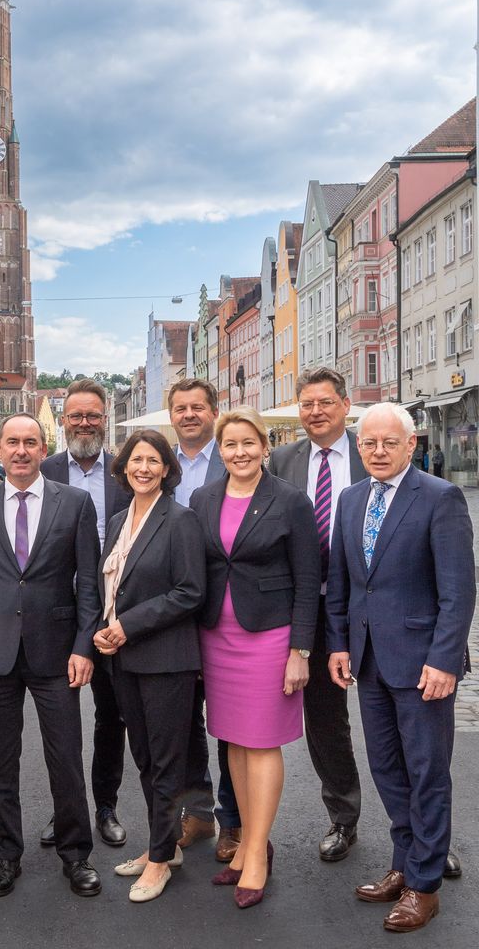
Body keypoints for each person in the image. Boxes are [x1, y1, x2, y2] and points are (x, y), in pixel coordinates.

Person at [326, 403, 475, 934]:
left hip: (422, 666)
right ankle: (404, 863)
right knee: (387, 769)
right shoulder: (349, 500)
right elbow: (343, 582)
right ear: (358, 446)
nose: (379, 452)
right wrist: (338, 643)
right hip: (367, 662)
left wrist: (444, 660)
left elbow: (459, 592)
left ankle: (425, 885)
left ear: (411, 444)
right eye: (370, 443)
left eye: (391, 442)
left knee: (426, 772)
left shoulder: (440, 497)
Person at [0, 413, 102, 900]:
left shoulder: (75, 503)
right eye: (12, 442)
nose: (21, 450)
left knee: (66, 756)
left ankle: (76, 855)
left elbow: (89, 585)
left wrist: (84, 646)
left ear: (44, 449)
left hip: (56, 652)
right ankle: (5, 854)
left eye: (30, 443)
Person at [190, 407, 319, 909]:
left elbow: (308, 581)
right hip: (217, 637)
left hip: (270, 636)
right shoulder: (204, 498)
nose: (239, 452)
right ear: (220, 451)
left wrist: (300, 651)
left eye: (248, 443)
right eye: (230, 444)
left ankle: (259, 854)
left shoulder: (289, 501)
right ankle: (243, 844)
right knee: (235, 744)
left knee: (262, 744)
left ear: (265, 447)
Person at [94, 430, 205, 903]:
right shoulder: (120, 518)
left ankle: (161, 858)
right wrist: (103, 626)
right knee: (143, 757)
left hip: (165, 660)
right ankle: (162, 845)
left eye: (152, 460)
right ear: (123, 468)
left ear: (166, 469)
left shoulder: (180, 520)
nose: (143, 467)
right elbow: (112, 585)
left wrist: (127, 625)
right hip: (123, 660)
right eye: (135, 460)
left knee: (165, 763)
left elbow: (189, 591)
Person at [266, 367, 364, 862]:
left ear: (345, 405)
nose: (315, 412)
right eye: (307, 404)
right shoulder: (282, 459)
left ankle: (424, 831)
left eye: (325, 402)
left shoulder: (373, 452)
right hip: (312, 606)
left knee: (401, 720)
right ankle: (342, 819)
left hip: (369, 608)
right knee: (326, 720)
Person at [40, 379, 131, 849]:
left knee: (111, 716)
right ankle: (66, 809)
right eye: (75, 415)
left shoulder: (126, 471)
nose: (84, 423)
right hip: (59, 611)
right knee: (61, 720)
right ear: (63, 419)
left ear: (105, 418)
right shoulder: (44, 470)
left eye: (93, 415)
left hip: (113, 611)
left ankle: (106, 805)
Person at [167, 378, 239, 862]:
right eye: (180, 408)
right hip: (173, 611)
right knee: (184, 716)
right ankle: (197, 812)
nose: (189, 414)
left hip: (227, 610)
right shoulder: (157, 461)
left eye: (198, 407)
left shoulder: (233, 456)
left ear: (214, 411)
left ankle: (234, 818)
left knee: (232, 720)